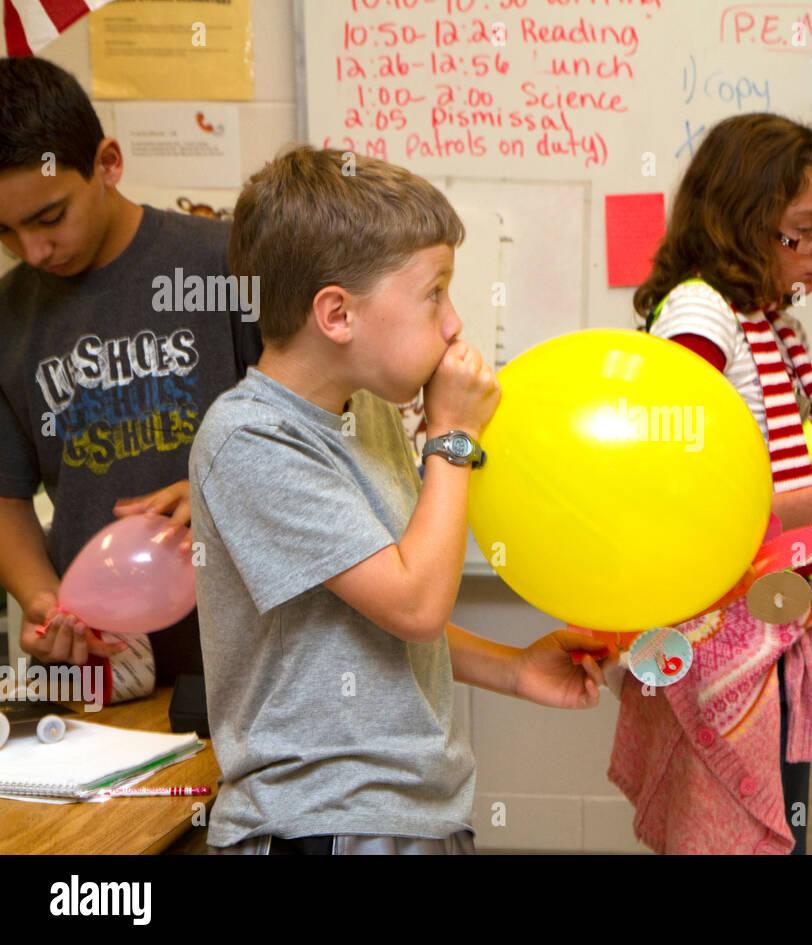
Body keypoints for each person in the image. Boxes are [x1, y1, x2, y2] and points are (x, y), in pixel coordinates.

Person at [192, 147, 614, 854]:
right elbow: (417, 605)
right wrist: (450, 436)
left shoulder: (372, 412)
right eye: (434, 292)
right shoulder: (249, 440)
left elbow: (380, 616)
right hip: (326, 821)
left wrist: (511, 666)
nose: (454, 323)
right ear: (337, 313)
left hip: (410, 813)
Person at [609, 113, 812, 854]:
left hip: (771, 633)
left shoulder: (776, 329)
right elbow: (678, 497)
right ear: (740, 220)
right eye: (804, 229)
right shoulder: (701, 317)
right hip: (721, 639)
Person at [0, 57, 260, 701]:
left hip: (251, 649)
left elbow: (323, 426)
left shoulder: (224, 263)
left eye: (49, 217)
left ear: (108, 164)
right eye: (3, 231)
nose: (33, 251)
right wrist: (42, 599)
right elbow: (6, 498)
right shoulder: (6, 315)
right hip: (99, 662)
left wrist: (222, 492)